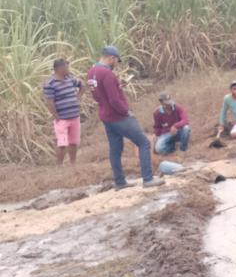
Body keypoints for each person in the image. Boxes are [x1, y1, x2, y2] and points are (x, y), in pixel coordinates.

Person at [87, 45, 163, 189]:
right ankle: (148, 179)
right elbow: (114, 100)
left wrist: (118, 85)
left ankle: (120, 182)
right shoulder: (108, 74)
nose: (116, 64)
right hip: (118, 117)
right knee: (144, 143)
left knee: (115, 150)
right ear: (111, 58)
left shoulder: (92, 72)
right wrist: (126, 112)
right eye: (116, 60)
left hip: (105, 116)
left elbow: (101, 93)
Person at [42, 58, 83, 165]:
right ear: (60, 69)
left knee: (73, 142)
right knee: (62, 144)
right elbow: (49, 102)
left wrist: (78, 97)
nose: (68, 69)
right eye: (66, 67)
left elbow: (82, 85)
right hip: (62, 118)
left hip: (75, 116)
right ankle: (59, 166)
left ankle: (73, 164)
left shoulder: (70, 79)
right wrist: (56, 116)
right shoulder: (50, 83)